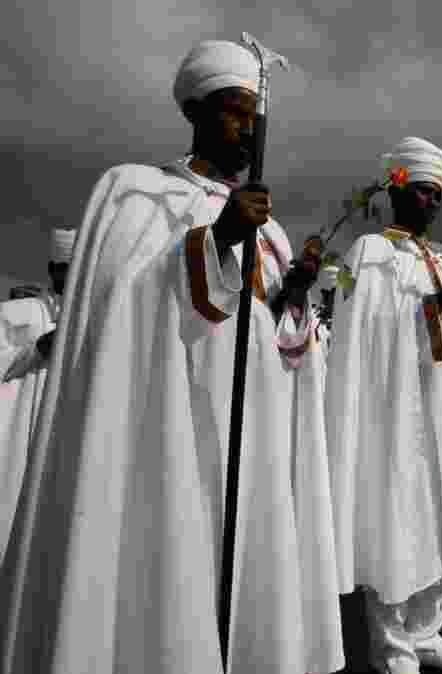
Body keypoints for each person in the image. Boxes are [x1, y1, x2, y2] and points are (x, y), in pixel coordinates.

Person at [1, 39, 345, 674]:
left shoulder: (268, 227)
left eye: (255, 115)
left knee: (243, 565)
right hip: (162, 427)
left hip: (247, 429)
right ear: (195, 111)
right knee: (167, 567)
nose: (247, 128)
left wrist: (291, 294)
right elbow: (120, 311)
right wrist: (216, 240)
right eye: (234, 111)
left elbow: (268, 338)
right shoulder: (132, 193)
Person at [324, 136, 442, 673]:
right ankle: (391, 646)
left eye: (437, 195)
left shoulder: (436, 262)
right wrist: (439, 303)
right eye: (421, 192)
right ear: (395, 192)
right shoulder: (371, 253)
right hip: (393, 412)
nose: (432, 203)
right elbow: (372, 337)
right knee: (394, 517)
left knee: (435, 516)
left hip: (436, 410)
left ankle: (425, 631)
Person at [0, 228, 74, 562]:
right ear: (54, 270)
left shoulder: (93, 321)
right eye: (68, 268)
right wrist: (41, 347)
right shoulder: (22, 311)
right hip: (17, 438)